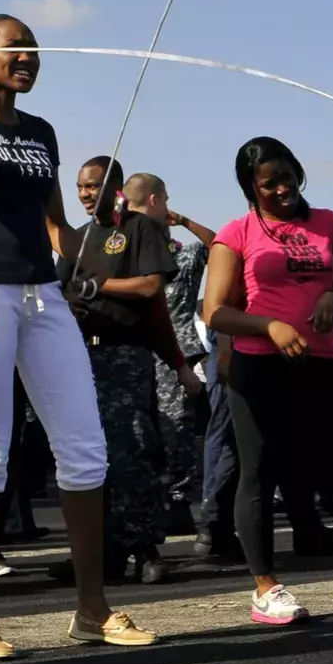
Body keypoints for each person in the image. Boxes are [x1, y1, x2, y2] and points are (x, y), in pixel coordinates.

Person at [0, 14, 157, 659]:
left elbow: (55, 220)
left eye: (33, 50)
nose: (28, 59)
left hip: (41, 294)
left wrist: (80, 268)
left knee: (86, 451)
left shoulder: (41, 131)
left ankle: (92, 611)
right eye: (14, 50)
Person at [201, 136, 333, 625]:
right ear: (250, 189)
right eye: (268, 182)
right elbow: (216, 312)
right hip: (261, 366)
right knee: (259, 474)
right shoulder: (235, 234)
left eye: (287, 175)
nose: (282, 188)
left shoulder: (328, 224)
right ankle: (266, 587)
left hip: (324, 361)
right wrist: (269, 326)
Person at [54, 156, 195, 585]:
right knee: (87, 457)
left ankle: (145, 548)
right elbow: (60, 292)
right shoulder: (75, 239)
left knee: (132, 450)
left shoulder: (139, 228)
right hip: (79, 355)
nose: (84, 194)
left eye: (93, 186)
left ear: (114, 188)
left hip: (125, 354)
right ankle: (102, 550)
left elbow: (152, 290)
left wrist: (178, 362)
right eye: (79, 187)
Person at [122, 174, 214, 537]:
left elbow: (218, 244)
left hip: (178, 352)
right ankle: (151, 500)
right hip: (135, 353)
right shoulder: (127, 252)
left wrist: (184, 221)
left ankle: (178, 502)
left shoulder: (182, 256)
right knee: (142, 433)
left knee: (176, 431)